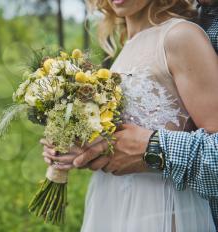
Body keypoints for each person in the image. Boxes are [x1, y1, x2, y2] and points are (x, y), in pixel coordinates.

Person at [41, 0, 218, 231]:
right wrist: (82, 147)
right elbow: (122, 134)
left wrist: (154, 149)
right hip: (113, 199)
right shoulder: (127, 46)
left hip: (162, 208)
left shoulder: (180, 36)